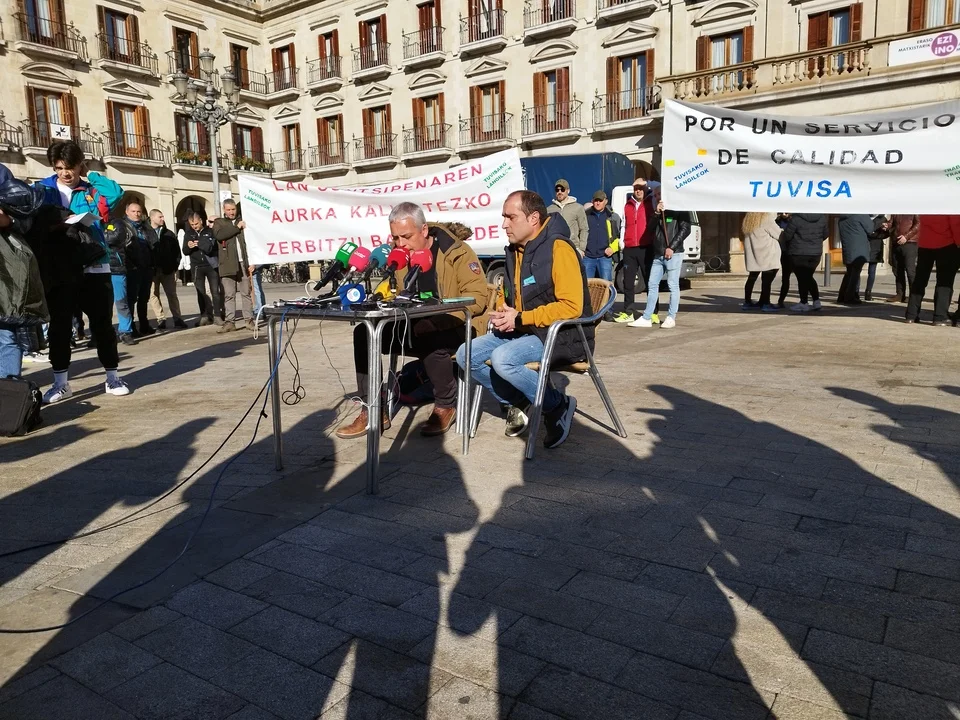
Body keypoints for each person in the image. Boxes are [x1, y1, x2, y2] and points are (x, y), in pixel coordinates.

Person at [336, 203, 488, 439]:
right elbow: (396, 294)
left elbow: (477, 297)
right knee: (364, 334)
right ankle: (373, 408)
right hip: (413, 323)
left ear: (424, 230)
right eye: (396, 238)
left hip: (455, 324)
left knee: (430, 335)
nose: (401, 244)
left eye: (406, 237)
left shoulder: (456, 252)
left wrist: (439, 318)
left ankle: (445, 405)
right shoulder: (398, 255)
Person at [457, 190, 589, 449]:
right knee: (466, 354)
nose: (504, 224)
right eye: (503, 217)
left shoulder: (559, 248)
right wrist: (504, 309)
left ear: (533, 218)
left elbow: (572, 307)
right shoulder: (515, 251)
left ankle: (556, 406)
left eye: (511, 217)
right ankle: (521, 400)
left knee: (503, 359)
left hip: (563, 335)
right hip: (527, 329)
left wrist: (521, 317)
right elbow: (516, 297)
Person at [34, 140, 130, 402]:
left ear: (79, 165)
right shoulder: (42, 189)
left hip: (95, 265)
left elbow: (116, 192)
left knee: (102, 325)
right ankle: (60, 383)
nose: (65, 173)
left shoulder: (92, 190)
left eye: (70, 167)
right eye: (59, 168)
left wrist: (91, 174)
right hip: (59, 267)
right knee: (60, 327)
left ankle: (112, 377)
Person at [0, 170, 48, 379]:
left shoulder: (2, 173)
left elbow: (25, 217)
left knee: (7, 336)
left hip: (7, 273)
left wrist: (10, 220)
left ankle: (8, 389)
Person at [628, 185, 690, 329]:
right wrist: (656, 213)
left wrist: (672, 247)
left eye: (659, 194)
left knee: (672, 285)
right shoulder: (658, 210)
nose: (657, 197)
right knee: (652, 284)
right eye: (655, 195)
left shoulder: (679, 208)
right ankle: (647, 317)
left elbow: (685, 229)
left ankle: (671, 317)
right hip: (658, 254)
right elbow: (650, 228)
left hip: (673, 253)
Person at [106, 202, 155, 337]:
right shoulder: (121, 225)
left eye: (138, 211)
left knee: (144, 298)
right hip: (131, 267)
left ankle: (144, 324)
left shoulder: (145, 227)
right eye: (133, 211)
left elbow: (153, 244)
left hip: (146, 267)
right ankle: (131, 326)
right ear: (127, 212)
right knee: (130, 298)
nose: (136, 214)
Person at [905, 214, 960, 326]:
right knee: (944, 282)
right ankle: (940, 316)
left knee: (920, 280)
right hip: (946, 243)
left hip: (925, 243)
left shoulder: (928, 206)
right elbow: (955, 224)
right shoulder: (949, 206)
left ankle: (911, 314)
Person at [614, 179, 656, 323]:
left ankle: (653, 312)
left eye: (640, 188)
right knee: (628, 282)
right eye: (636, 188)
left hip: (646, 246)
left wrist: (645, 182)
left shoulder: (651, 202)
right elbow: (624, 224)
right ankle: (629, 311)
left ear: (645, 189)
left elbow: (658, 186)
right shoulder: (628, 205)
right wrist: (622, 241)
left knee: (650, 281)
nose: (638, 191)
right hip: (630, 247)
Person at [212, 199, 254, 332]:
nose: (231, 212)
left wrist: (252, 262)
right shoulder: (219, 223)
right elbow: (220, 236)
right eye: (228, 210)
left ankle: (249, 320)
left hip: (243, 263)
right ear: (224, 210)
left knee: (246, 293)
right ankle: (230, 321)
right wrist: (236, 228)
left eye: (233, 209)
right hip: (227, 264)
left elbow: (251, 242)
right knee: (229, 294)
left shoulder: (243, 221)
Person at [583, 190, 620, 322]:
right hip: (588, 256)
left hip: (605, 256)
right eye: (595, 200)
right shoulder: (585, 215)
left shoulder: (613, 217)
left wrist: (612, 248)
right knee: (587, 287)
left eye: (600, 200)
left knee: (607, 286)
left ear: (606, 201)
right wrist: (582, 249)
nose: (597, 203)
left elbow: (619, 236)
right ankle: (589, 312)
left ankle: (608, 312)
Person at [147, 209, 186, 330]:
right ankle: (160, 318)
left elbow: (177, 252)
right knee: (153, 295)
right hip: (152, 270)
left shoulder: (169, 234)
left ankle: (177, 318)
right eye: (160, 217)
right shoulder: (145, 233)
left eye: (163, 216)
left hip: (168, 269)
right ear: (152, 218)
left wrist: (175, 266)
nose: (162, 219)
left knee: (172, 294)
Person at [181, 212, 221, 327]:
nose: (194, 226)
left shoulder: (209, 231)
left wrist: (200, 244)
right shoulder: (188, 234)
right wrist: (189, 246)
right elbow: (185, 251)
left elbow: (212, 248)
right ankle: (204, 316)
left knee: (215, 291)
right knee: (200, 293)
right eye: (192, 224)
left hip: (210, 265)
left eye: (196, 224)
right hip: (197, 266)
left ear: (201, 221)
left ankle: (217, 315)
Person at [781, 213, 828, 313]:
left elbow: (787, 236)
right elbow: (825, 234)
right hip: (815, 253)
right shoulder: (822, 217)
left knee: (802, 278)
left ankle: (804, 302)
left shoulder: (796, 218)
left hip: (798, 252)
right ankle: (816, 301)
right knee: (808, 277)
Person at [740, 212, 782, 312]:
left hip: (754, 254)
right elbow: (779, 234)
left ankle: (748, 302)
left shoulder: (749, 220)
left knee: (752, 278)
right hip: (767, 254)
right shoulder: (766, 219)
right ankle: (765, 303)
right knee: (767, 280)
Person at [837, 214, 873, 305]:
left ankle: (842, 296)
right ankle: (850, 297)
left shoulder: (842, 218)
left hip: (848, 248)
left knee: (849, 272)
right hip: (859, 249)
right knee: (855, 273)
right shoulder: (860, 214)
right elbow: (870, 229)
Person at [547, 178, 588, 255]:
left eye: (562, 190)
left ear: (568, 191)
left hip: (573, 247)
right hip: (554, 247)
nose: (559, 192)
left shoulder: (578, 208)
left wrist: (581, 249)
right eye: (557, 190)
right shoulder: (549, 209)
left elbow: (584, 229)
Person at [887, 214, 920, 304]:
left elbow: (918, 224)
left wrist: (906, 236)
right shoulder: (896, 210)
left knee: (910, 270)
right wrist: (887, 225)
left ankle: (913, 295)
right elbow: (891, 222)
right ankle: (900, 294)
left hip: (910, 243)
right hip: (896, 242)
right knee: (897, 270)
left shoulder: (915, 210)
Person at [864, 215, 890, 301]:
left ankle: (868, 292)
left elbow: (886, 234)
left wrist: (876, 234)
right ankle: (855, 291)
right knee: (857, 270)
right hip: (864, 245)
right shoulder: (864, 217)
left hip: (876, 246)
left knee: (872, 271)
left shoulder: (882, 218)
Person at [775, 212, 793, 308]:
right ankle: (781, 301)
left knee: (802, 278)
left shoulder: (794, 221)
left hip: (792, 251)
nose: (784, 213)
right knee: (785, 278)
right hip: (780, 251)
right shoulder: (777, 221)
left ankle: (805, 300)